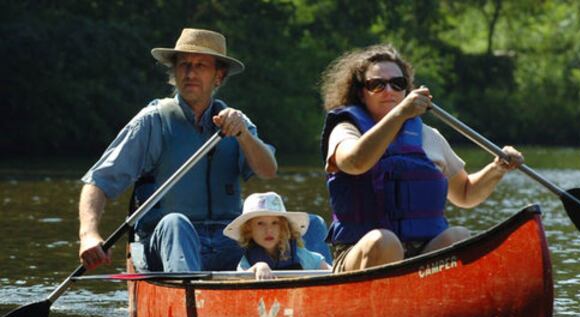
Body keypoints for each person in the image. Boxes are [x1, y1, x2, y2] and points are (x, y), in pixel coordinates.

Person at [78, 28, 277, 272]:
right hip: (164, 243)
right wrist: (89, 234)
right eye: (184, 65)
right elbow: (98, 182)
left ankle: (308, 289)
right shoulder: (152, 121)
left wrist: (243, 135)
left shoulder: (237, 122)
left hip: (227, 241)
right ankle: (189, 297)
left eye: (201, 66)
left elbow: (268, 170)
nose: (190, 73)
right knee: (176, 223)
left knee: (306, 225)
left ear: (219, 77)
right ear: (174, 72)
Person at [320, 44, 523, 272]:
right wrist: (400, 113)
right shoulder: (346, 129)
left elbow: (465, 194)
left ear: (406, 90)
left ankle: (437, 302)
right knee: (384, 241)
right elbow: (356, 163)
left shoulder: (428, 136)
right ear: (360, 93)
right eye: (377, 85)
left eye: (397, 84)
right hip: (361, 254)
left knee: (460, 237)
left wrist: (497, 168)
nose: (389, 91)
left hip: (420, 261)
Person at [223, 192, 332, 280]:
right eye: (260, 223)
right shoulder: (247, 261)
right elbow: (241, 278)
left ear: (283, 227)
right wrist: (258, 266)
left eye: (275, 223)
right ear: (249, 230)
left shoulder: (298, 254)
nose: (269, 230)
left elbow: (325, 268)